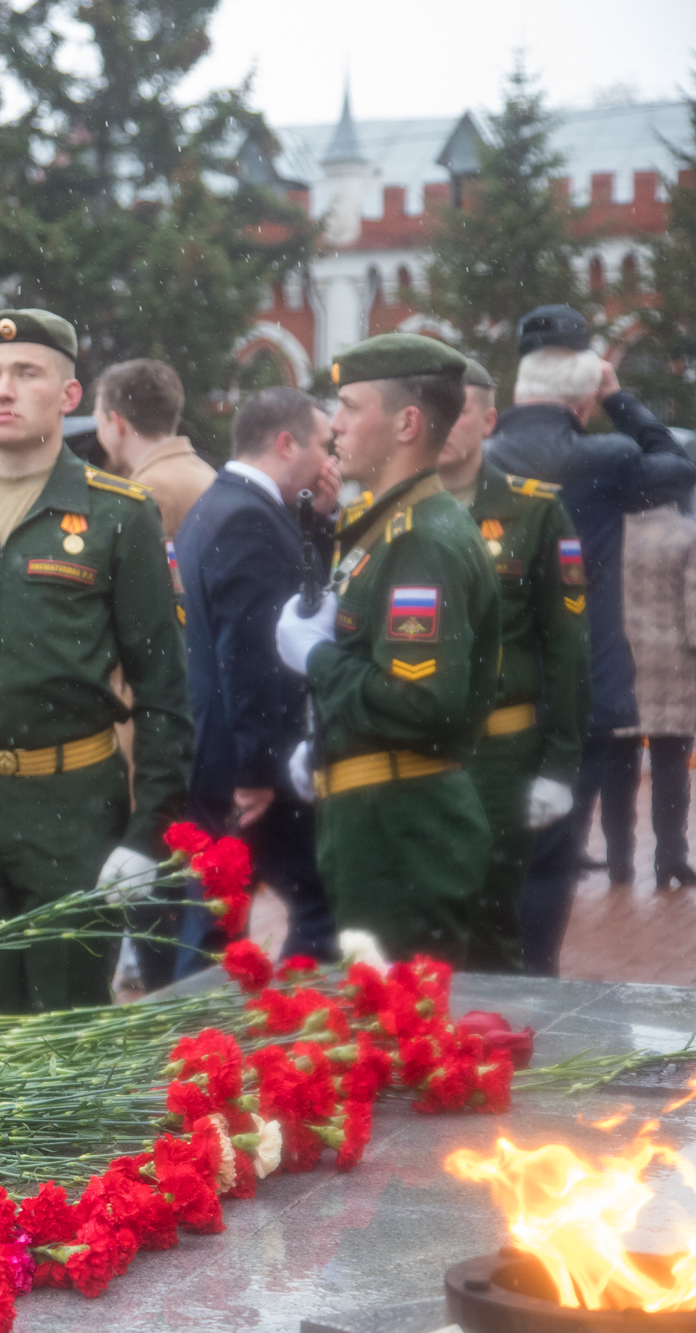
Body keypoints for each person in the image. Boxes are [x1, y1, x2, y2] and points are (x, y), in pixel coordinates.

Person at [0, 309, 192, 1018]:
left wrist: (148, 832)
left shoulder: (119, 516)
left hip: (73, 809)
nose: (2, 389)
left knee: (67, 1025)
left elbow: (164, 691)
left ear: (70, 395)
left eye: (25, 373)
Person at [273, 333, 502, 963]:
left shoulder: (419, 539)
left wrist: (315, 658)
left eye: (350, 407)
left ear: (406, 424)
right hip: (383, 819)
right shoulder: (388, 528)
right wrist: (327, 742)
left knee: (398, 1014)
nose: (335, 424)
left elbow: (416, 700)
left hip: (402, 831)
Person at [483, 304, 696, 973]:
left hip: (492, 691)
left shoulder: (483, 460)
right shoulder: (605, 459)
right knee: (551, 867)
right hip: (582, 689)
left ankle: (487, 981)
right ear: (584, 394)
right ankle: (531, 982)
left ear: (518, 386)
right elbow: (677, 464)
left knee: (494, 857)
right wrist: (617, 398)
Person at [174, 387, 341, 973]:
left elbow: (295, 601)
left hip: (224, 753)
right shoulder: (247, 518)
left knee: (218, 921)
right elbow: (251, 655)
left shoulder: (225, 504)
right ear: (286, 443)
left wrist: (320, 523)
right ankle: (289, 1016)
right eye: (324, 445)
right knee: (316, 908)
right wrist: (257, 773)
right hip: (247, 766)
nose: (331, 461)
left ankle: (219, 1022)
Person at [435, 358, 589, 970]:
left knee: (493, 925)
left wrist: (560, 763)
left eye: (461, 412)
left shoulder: (536, 511)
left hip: (498, 755)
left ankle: (490, 1032)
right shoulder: (387, 511)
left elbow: (567, 643)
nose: (446, 424)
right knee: (415, 924)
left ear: (488, 421)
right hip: (410, 751)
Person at [601, 500, 696, 891]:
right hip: (673, 668)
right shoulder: (687, 534)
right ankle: (670, 858)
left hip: (617, 665)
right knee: (671, 764)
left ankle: (618, 861)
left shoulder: (610, 531)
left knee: (617, 766)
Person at [92, 358, 216, 541]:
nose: (98, 431)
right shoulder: (205, 472)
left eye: (99, 421)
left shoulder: (149, 492)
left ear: (118, 424)